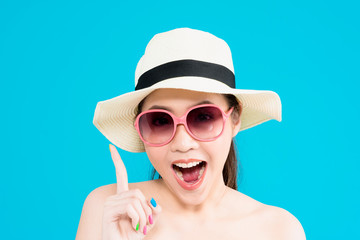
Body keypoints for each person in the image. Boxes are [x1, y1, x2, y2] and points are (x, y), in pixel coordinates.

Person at [75, 27, 306, 240]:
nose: (183, 143)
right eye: (160, 120)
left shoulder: (279, 230)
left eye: (203, 116)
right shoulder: (108, 210)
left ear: (235, 119)